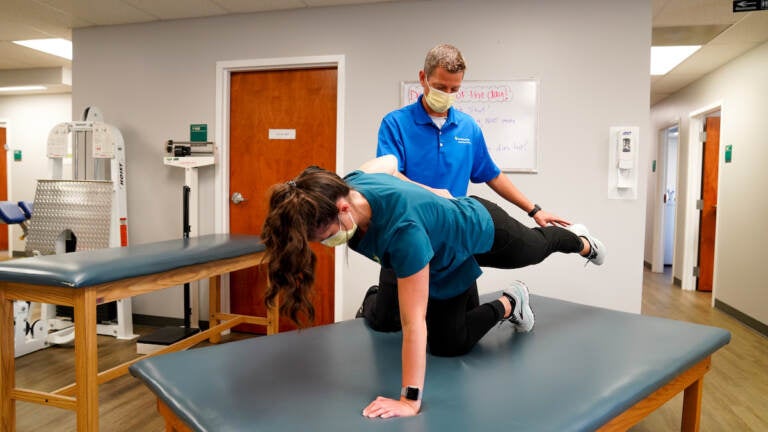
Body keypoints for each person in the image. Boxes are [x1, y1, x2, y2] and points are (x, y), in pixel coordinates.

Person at [261, 155, 606, 419]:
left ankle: (576, 242)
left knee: (534, 248)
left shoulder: (403, 232)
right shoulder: (348, 183)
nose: (326, 243)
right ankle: (510, 303)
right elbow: (390, 162)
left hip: (481, 230)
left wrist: (409, 401)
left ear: (343, 207)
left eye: (324, 236)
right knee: (434, 338)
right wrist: (425, 191)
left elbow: (414, 325)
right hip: (438, 259)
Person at [363, 43, 577, 330]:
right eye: (441, 87)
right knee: (386, 323)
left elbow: (492, 174)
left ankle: (512, 303)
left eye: (455, 89)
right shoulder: (395, 123)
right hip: (406, 230)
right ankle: (374, 297)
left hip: (453, 237)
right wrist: (432, 195)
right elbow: (388, 174)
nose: (447, 95)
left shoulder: (468, 128)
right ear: (423, 78)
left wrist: (533, 209)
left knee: (461, 327)